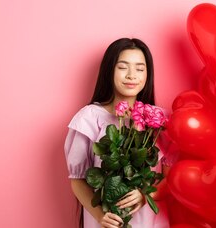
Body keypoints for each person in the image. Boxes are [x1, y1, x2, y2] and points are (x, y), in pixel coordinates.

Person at [64, 38, 173, 228]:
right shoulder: (90, 118)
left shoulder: (159, 120)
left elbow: (169, 177)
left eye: (140, 69)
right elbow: (78, 179)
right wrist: (100, 216)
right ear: (109, 71)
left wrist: (146, 195)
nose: (132, 76)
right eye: (123, 67)